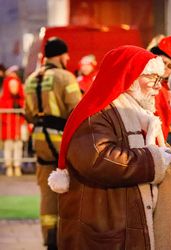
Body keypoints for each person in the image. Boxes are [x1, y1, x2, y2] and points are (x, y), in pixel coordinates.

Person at [47, 45, 171, 250]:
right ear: (129, 77)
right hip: (107, 231)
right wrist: (153, 161)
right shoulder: (97, 115)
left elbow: (164, 154)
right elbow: (98, 160)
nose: (157, 87)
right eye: (152, 78)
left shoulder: (138, 112)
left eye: (159, 80)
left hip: (127, 227)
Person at [24, 37, 82, 250]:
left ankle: (50, 238)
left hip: (39, 139)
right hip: (62, 139)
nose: (67, 58)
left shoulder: (31, 79)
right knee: (71, 187)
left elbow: (28, 114)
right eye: (66, 54)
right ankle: (68, 237)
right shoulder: (65, 77)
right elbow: (77, 110)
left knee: (47, 190)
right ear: (59, 55)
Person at [0, 65, 25, 176]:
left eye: (15, 85)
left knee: (18, 146)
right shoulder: (3, 100)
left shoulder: (21, 100)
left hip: (17, 127)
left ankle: (17, 165)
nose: (13, 88)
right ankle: (9, 166)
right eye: (11, 85)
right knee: (8, 146)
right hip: (7, 126)